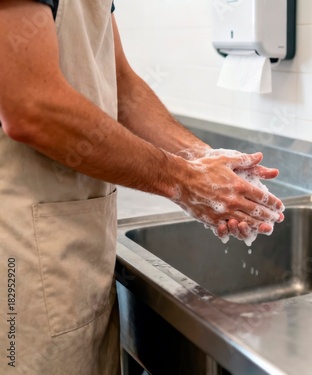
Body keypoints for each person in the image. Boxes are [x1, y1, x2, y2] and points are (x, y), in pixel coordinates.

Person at [0, 0, 284, 373]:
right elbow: (30, 106)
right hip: (19, 252)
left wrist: (201, 160)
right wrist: (184, 180)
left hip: (72, 250)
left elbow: (122, 86)